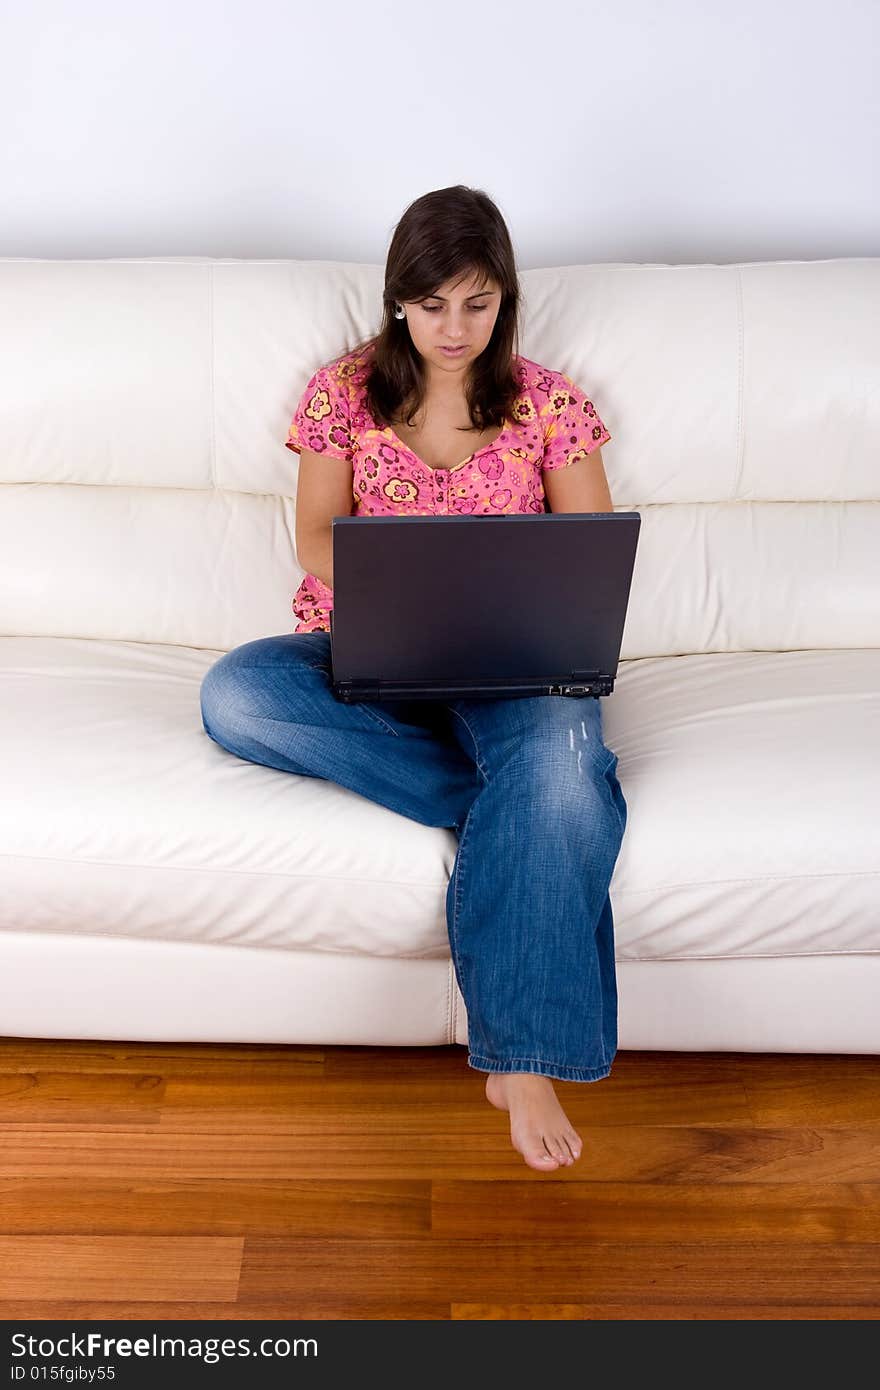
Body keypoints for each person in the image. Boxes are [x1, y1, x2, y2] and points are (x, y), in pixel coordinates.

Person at [199, 185, 628, 1172]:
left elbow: (594, 558)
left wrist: (499, 613)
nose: (453, 327)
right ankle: (539, 802)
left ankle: (520, 1059)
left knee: (555, 750)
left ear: (503, 300)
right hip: (373, 656)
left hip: (518, 666)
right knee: (238, 691)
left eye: (476, 303)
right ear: (398, 299)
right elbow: (313, 536)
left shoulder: (548, 402)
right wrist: (408, 596)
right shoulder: (341, 390)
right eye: (432, 304)